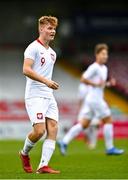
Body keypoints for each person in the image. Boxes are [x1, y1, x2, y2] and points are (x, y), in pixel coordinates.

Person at [58, 43, 124, 155]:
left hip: (93, 99)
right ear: (97, 55)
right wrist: (95, 83)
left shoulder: (104, 68)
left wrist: (108, 83)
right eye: (103, 54)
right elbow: (83, 79)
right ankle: (110, 148)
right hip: (95, 99)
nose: (105, 56)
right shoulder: (94, 67)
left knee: (83, 124)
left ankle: (64, 141)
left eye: (106, 54)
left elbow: (100, 84)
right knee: (108, 120)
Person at [19, 15, 60, 174]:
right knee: (39, 131)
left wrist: (48, 84)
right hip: (34, 95)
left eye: (54, 28)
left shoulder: (53, 53)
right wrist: (46, 81)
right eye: (49, 28)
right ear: (41, 28)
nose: (53, 31)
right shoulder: (32, 48)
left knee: (53, 128)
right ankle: (24, 153)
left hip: (48, 95)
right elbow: (26, 69)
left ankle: (43, 165)